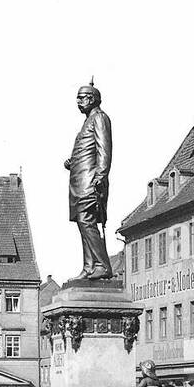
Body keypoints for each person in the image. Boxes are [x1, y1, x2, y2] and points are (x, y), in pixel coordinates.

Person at [64, 81, 113, 280]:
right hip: (79, 181)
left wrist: (100, 177)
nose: (78, 102)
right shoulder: (87, 122)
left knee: (86, 221)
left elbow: (104, 150)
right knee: (82, 223)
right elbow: (86, 151)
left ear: (92, 99)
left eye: (81, 97)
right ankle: (89, 266)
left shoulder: (100, 118)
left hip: (90, 182)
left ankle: (103, 265)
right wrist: (73, 161)